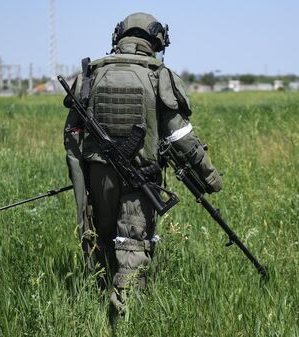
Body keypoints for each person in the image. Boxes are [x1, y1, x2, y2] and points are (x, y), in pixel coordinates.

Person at [62, 12, 222, 313]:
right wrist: (210, 178)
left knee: (104, 236)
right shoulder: (158, 75)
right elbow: (181, 137)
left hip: (97, 175)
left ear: (119, 37)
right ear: (156, 40)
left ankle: (99, 292)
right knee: (133, 240)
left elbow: (72, 136)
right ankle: (125, 307)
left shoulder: (90, 75)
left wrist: (80, 178)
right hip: (142, 176)